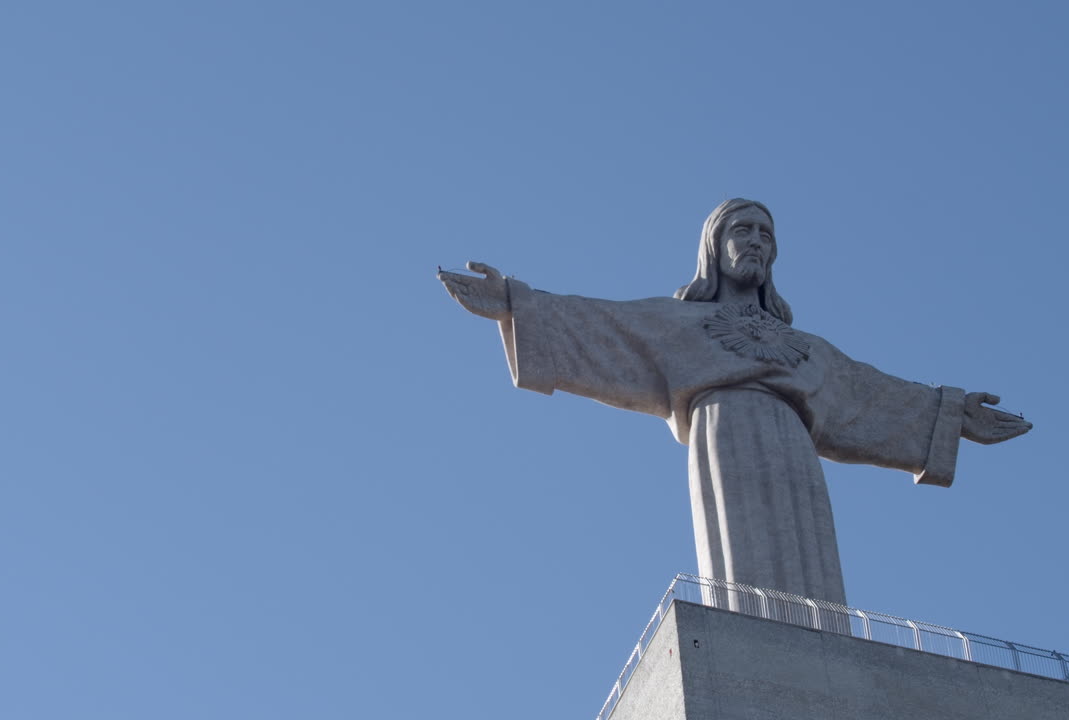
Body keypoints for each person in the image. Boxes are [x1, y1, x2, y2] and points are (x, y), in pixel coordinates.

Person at [438, 198, 1030, 605]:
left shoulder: (806, 349)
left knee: (813, 578)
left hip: (794, 447)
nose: (754, 241)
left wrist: (949, 412)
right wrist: (519, 303)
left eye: (765, 234)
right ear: (714, 247)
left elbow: (870, 395)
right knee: (745, 576)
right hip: (725, 432)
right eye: (740, 230)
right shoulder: (677, 323)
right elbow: (601, 324)